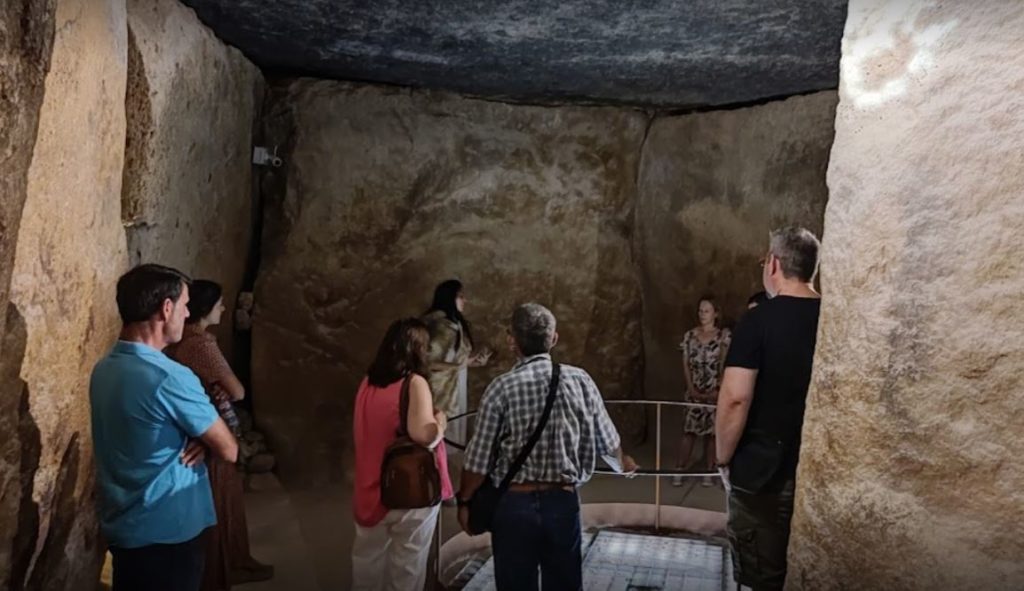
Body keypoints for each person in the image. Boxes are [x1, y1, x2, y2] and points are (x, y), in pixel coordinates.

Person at [456, 303, 637, 591]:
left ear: (511, 340)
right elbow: (608, 443)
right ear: (554, 339)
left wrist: (464, 502)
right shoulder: (580, 381)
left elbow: (477, 463)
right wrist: (623, 463)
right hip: (561, 502)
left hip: (513, 505)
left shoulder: (501, 388)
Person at [90, 264, 238, 591]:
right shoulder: (169, 377)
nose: (187, 313)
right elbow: (228, 449)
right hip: (166, 530)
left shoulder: (104, 369)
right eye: (184, 305)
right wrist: (206, 440)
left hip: (124, 526)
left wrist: (195, 438)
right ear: (166, 308)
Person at [715, 227, 822, 591]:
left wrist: (722, 457)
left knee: (762, 576)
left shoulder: (759, 320)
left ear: (774, 264)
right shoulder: (832, 319)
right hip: (814, 470)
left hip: (763, 475)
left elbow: (735, 398)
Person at [165, 280, 273, 589]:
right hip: (209, 427)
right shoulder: (200, 343)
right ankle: (226, 567)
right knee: (223, 497)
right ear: (205, 309)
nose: (224, 309)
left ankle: (234, 562)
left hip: (189, 428)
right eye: (220, 304)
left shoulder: (178, 340)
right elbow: (236, 391)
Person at [350, 318, 454, 591]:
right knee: (407, 568)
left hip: (370, 489)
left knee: (366, 564)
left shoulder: (368, 383)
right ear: (418, 349)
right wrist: (440, 421)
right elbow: (425, 435)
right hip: (406, 491)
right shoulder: (414, 383)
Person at [422, 279, 492, 447]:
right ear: (449, 298)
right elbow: (428, 362)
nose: (465, 300)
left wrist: (471, 362)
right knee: (441, 441)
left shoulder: (449, 324)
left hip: (448, 391)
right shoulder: (443, 326)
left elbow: (452, 360)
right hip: (440, 395)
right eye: (460, 296)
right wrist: (460, 366)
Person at [674, 297, 731, 487]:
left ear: (716, 313)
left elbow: (725, 363)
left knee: (712, 433)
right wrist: (691, 387)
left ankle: (709, 470)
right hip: (695, 388)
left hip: (714, 390)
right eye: (700, 311)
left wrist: (718, 388)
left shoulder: (723, 336)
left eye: (706, 311)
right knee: (689, 431)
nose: (702, 315)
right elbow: (684, 363)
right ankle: (679, 469)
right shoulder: (690, 336)